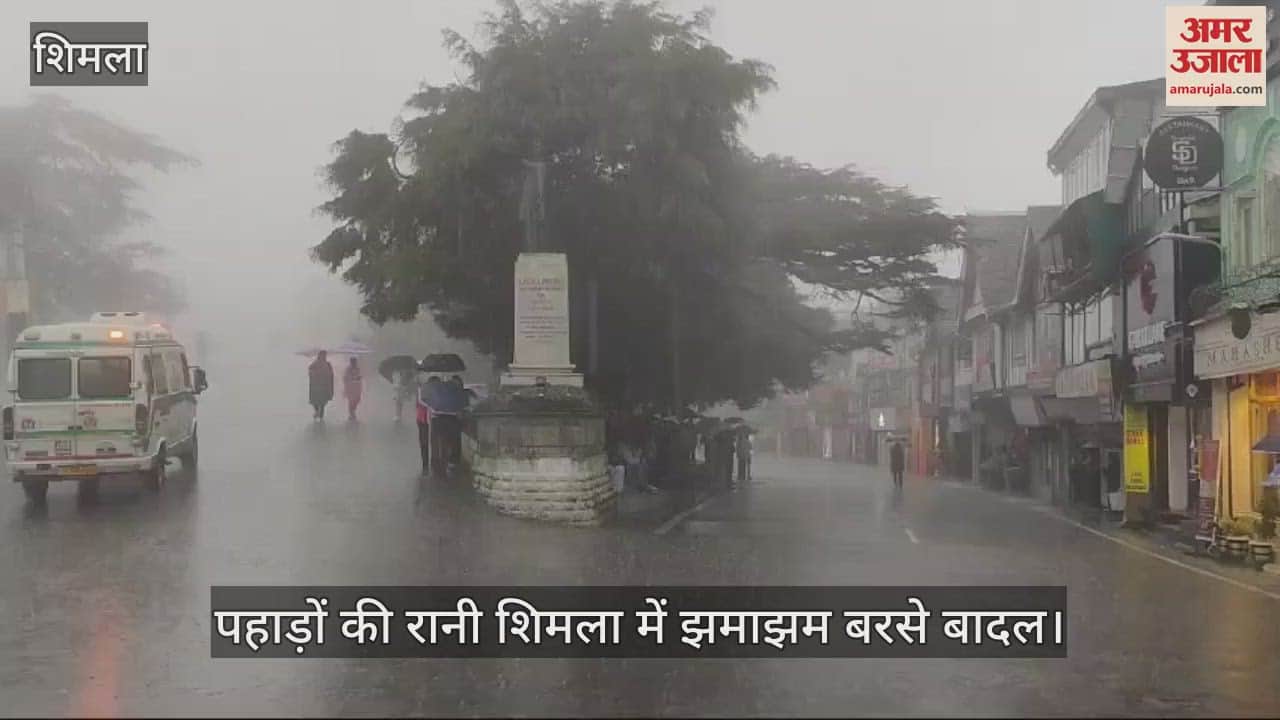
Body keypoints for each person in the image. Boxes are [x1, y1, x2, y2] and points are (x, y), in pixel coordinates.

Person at [416, 375, 442, 474]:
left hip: (434, 418)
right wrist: (430, 406)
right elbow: (420, 401)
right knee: (424, 442)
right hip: (423, 419)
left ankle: (434, 462)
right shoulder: (422, 389)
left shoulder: (438, 391)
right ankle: (425, 465)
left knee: (434, 441)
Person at [308, 350, 335, 421]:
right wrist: (315, 374)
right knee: (315, 401)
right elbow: (310, 371)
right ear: (319, 355)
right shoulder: (315, 364)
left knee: (323, 402)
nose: (324, 356)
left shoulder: (328, 364)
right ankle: (317, 412)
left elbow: (331, 375)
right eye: (322, 355)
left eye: (325, 355)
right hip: (316, 386)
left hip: (324, 386)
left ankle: (321, 417)